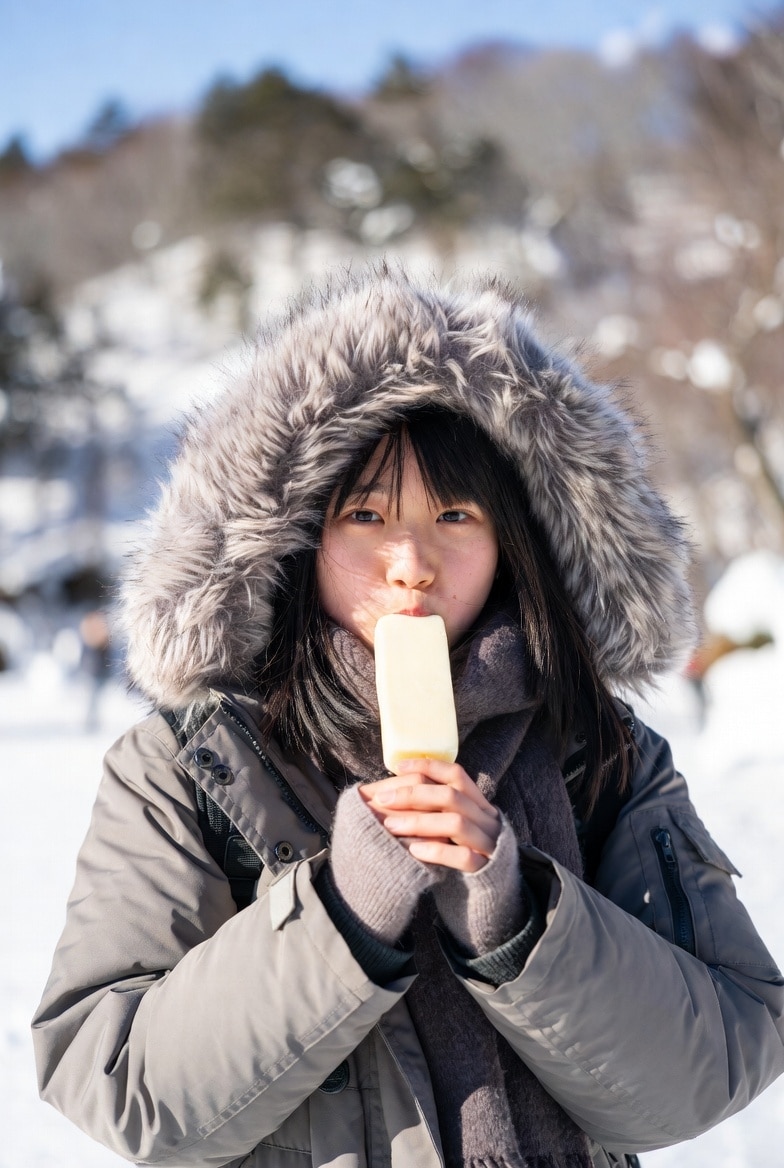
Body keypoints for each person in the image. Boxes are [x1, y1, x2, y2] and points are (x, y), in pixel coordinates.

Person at [32, 266, 784, 1168]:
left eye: (455, 513)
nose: (411, 563)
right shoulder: (188, 768)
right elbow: (114, 1082)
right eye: (366, 514)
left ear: (515, 543)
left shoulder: (603, 752)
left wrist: (522, 920)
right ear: (301, 536)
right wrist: (340, 916)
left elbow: (718, 1066)